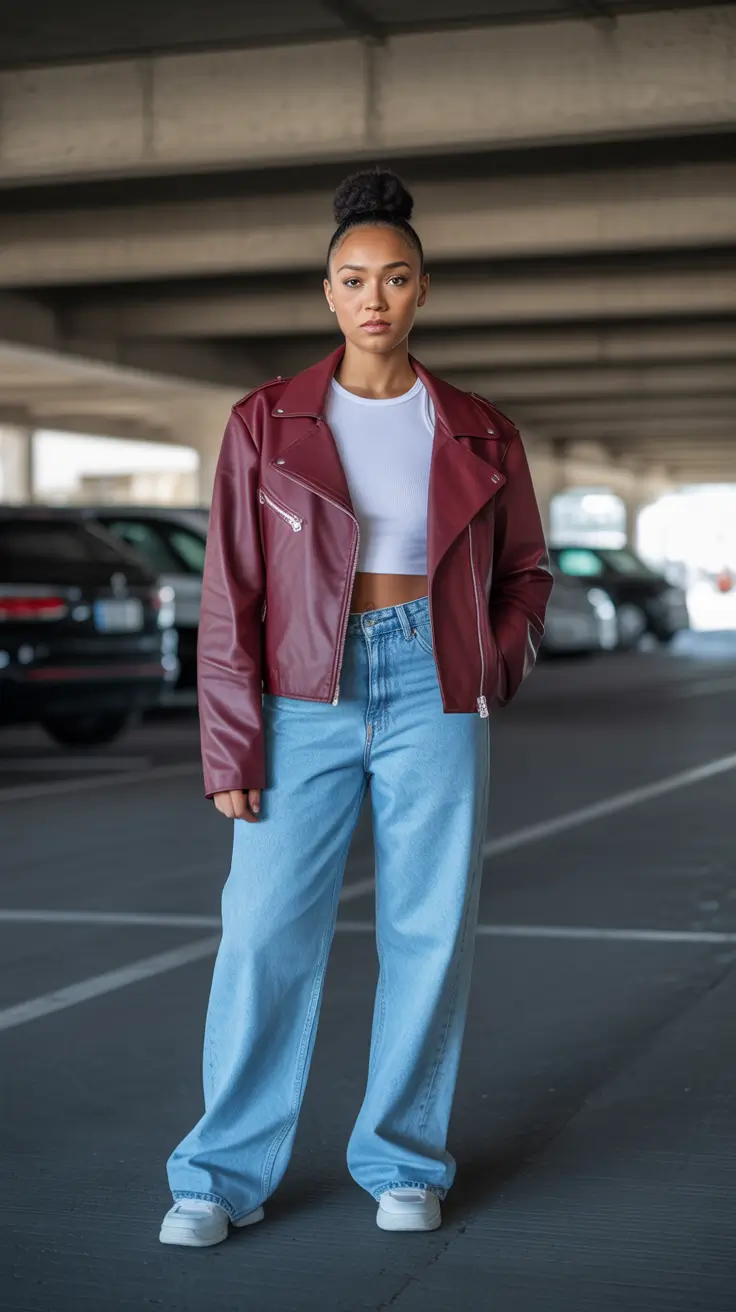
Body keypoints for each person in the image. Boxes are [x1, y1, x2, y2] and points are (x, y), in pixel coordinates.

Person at [160, 168, 552, 1247]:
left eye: (394, 276)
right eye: (352, 278)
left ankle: (404, 1162)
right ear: (326, 292)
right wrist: (230, 742)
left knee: (429, 930)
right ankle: (218, 1177)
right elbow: (232, 592)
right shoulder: (265, 420)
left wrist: (488, 666)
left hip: (435, 683)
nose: (373, 296)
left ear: (424, 288)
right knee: (261, 934)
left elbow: (527, 572)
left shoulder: (480, 430)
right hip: (302, 692)